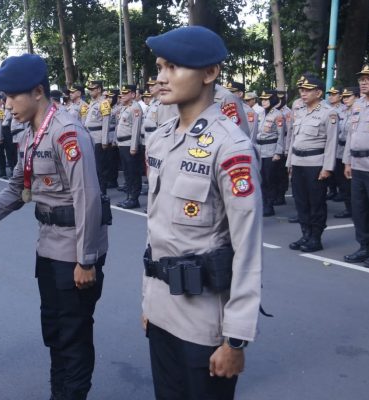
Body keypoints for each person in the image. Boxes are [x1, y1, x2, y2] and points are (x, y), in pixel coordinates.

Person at [0, 53, 109, 400]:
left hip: (74, 253)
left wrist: (87, 260)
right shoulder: (32, 133)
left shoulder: (67, 132)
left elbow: (88, 198)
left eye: (11, 96)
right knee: (54, 330)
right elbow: (20, 186)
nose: (6, 104)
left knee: (73, 335)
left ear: (36, 91)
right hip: (48, 248)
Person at [142, 26, 262, 400]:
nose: (161, 78)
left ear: (209, 74)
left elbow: (247, 250)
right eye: (160, 67)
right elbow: (157, 232)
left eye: (173, 67)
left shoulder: (231, 147)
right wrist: (148, 303)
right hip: (162, 315)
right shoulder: (161, 138)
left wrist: (236, 340)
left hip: (203, 326)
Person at [286, 75, 338, 252]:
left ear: (319, 92)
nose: (303, 93)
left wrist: (327, 168)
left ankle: (315, 238)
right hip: (298, 162)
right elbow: (294, 138)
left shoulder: (328, 113)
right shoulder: (299, 111)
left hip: (316, 164)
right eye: (301, 90)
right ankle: (305, 234)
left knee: (316, 203)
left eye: (307, 90)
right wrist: (290, 163)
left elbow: (332, 142)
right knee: (300, 202)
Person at [342, 63, 369, 266]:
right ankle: (364, 247)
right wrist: (347, 162)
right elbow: (352, 135)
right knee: (359, 209)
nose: (363, 82)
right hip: (357, 164)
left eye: (368, 79)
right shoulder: (358, 105)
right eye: (361, 79)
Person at [256, 90, 285, 217]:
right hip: (259, 149)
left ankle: (269, 205)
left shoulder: (278, 115)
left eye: (266, 99)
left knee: (269, 179)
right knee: (260, 179)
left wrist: (278, 152)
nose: (264, 101)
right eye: (262, 99)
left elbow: (281, 136)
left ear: (272, 100)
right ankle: (262, 203)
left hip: (271, 150)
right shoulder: (260, 114)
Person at [115, 84, 143, 209]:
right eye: (122, 93)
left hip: (129, 144)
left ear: (132, 95)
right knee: (127, 172)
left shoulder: (135, 108)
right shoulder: (124, 108)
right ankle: (128, 197)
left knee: (133, 172)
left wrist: (134, 146)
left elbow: (136, 128)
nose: (122, 95)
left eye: (125, 93)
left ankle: (134, 198)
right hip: (122, 144)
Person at [333, 87, 359, 219]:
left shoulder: (360, 112)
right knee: (342, 182)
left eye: (349, 96)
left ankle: (357, 209)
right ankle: (348, 208)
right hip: (340, 150)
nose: (345, 99)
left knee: (353, 183)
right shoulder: (341, 112)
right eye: (344, 97)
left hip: (353, 151)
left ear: (357, 97)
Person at [84, 80, 112, 196]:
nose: (90, 91)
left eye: (93, 89)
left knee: (100, 167)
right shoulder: (92, 103)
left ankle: (102, 191)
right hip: (90, 137)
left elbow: (106, 123)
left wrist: (105, 140)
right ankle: (96, 189)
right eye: (89, 89)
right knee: (92, 166)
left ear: (99, 89)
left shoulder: (104, 103)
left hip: (98, 137)